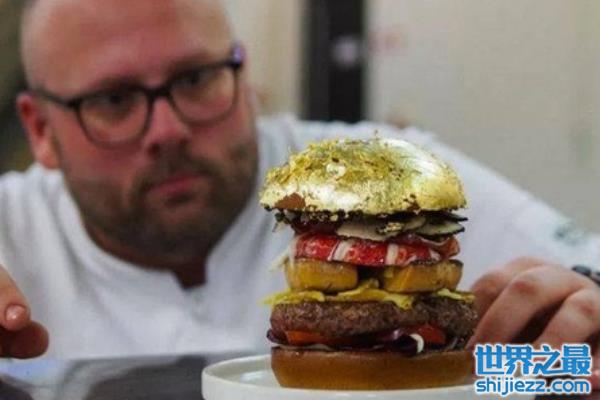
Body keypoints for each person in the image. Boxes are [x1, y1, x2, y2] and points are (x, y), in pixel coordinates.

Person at [1, 0, 599, 385]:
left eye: (197, 78)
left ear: (244, 76)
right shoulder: (10, 234)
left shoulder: (382, 175)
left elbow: (532, 365)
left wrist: (579, 333)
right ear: (40, 130)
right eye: (112, 100)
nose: (168, 130)